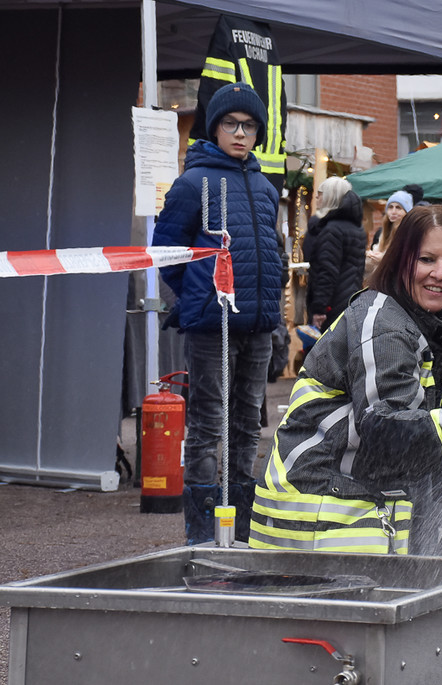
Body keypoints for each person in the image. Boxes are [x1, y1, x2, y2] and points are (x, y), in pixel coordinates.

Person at [250, 205, 442, 555]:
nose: (439, 273)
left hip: (354, 490)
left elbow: (416, 437)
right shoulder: (384, 325)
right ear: (400, 261)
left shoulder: (421, 321)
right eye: (426, 259)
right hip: (319, 513)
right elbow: (388, 435)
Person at [152, 82, 284, 545]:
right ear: (216, 128)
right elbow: (165, 253)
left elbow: (274, 251)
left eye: (249, 126)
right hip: (213, 324)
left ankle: (241, 526)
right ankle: (203, 532)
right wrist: (199, 297)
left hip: (258, 324)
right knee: (209, 422)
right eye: (232, 124)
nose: (241, 133)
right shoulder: (193, 183)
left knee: (248, 423)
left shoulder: (265, 187)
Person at [303, 176, 365, 331]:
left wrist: (319, 308)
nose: (317, 197)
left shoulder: (331, 230)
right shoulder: (356, 228)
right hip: (349, 299)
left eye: (321, 193)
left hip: (332, 304)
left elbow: (327, 271)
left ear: (331, 196)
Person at [365, 189, 412, 279]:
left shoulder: (410, 233)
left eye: (398, 207)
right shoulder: (382, 232)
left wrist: (383, 260)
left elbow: (408, 264)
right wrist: (370, 257)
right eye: (390, 207)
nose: (393, 211)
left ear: (407, 212)